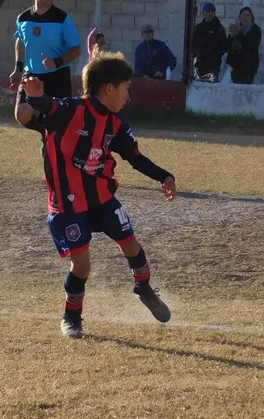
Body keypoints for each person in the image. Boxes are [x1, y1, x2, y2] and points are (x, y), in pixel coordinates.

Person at [21, 51, 177, 339]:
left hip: (102, 197)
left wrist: (164, 176)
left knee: (131, 245)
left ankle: (143, 287)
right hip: (68, 202)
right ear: (109, 88)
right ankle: (71, 318)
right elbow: (46, 107)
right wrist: (34, 95)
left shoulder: (116, 124)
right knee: (81, 265)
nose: (128, 97)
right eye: (126, 89)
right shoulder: (71, 110)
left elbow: (135, 157)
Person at [9, 0, 83, 133]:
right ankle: (44, 131)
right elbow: (20, 41)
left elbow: (77, 49)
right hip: (32, 75)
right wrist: (18, 68)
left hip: (58, 75)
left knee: (60, 121)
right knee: (22, 114)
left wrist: (56, 62)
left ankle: (51, 135)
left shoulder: (62, 18)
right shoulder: (23, 18)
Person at [190, 3, 227, 81]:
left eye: (212, 11)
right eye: (208, 11)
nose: (210, 13)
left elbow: (224, 46)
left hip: (213, 64)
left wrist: (214, 54)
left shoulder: (219, 29)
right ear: (203, 12)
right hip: (200, 63)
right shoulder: (199, 28)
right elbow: (193, 45)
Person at [226, 7, 262, 84]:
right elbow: (227, 46)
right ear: (240, 17)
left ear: (252, 17)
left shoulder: (255, 30)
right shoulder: (237, 28)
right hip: (235, 66)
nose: (245, 17)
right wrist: (231, 36)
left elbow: (251, 45)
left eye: (248, 15)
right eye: (243, 15)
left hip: (249, 66)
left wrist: (239, 34)